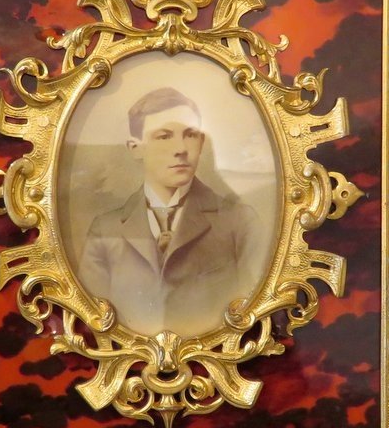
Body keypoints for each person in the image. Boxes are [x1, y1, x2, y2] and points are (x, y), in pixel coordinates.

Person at [78, 86, 261, 335]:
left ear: (201, 142)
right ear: (135, 148)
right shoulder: (105, 229)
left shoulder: (239, 222)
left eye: (190, 135)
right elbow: (89, 323)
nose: (181, 149)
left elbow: (258, 313)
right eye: (164, 136)